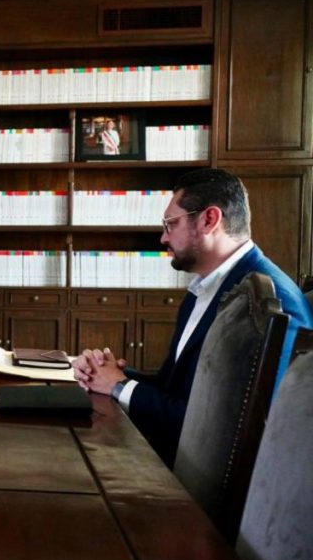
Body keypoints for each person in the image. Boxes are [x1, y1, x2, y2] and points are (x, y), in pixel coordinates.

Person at [72, 169, 312, 467]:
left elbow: (230, 433)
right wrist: (106, 374)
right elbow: (174, 389)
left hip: (197, 477)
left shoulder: (267, 306)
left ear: (209, 220)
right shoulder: (205, 289)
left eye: (171, 224)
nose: (163, 237)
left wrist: (119, 387)